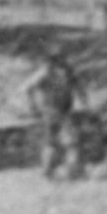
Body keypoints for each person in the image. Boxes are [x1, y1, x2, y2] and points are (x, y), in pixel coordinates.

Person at [21, 48, 90, 180]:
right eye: (57, 59)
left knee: (53, 142)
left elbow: (79, 89)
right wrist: (33, 106)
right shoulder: (48, 73)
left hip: (58, 111)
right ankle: (68, 171)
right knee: (70, 142)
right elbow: (27, 88)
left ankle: (50, 171)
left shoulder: (60, 72)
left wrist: (33, 106)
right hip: (55, 111)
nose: (60, 62)